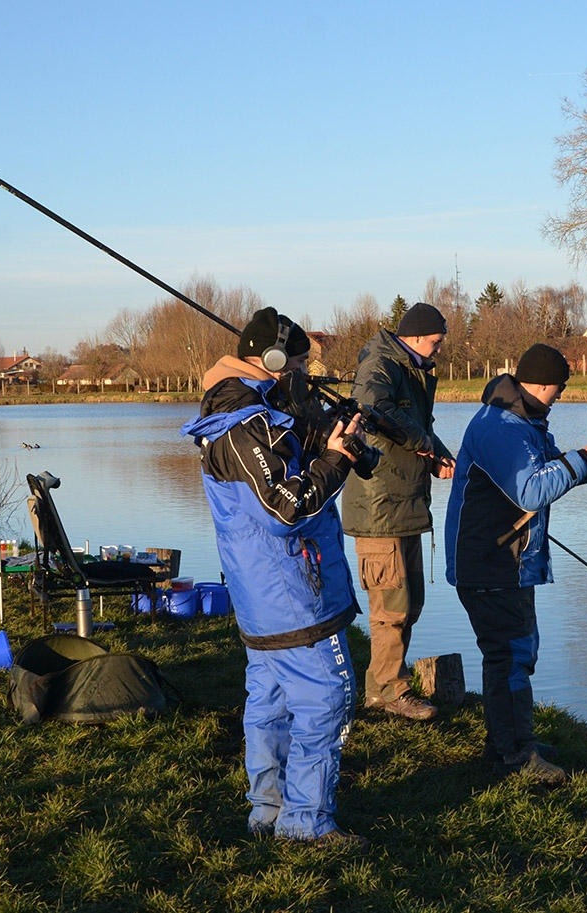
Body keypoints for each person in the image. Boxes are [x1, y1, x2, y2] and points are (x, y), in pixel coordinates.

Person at [179, 307, 367, 846]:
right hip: (289, 593)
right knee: (326, 697)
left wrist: (316, 439)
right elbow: (285, 509)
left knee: (271, 700)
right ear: (275, 361)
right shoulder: (245, 427)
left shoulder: (246, 416)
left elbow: (272, 489)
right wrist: (334, 462)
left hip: (263, 591)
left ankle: (268, 812)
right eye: (302, 363)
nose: (307, 374)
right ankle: (305, 824)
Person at [444, 343, 587, 784]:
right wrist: (583, 459)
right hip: (491, 562)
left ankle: (509, 744)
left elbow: (548, 473)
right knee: (510, 654)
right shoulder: (502, 427)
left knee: (514, 653)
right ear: (544, 383)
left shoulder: (524, 421)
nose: (561, 396)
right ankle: (515, 756)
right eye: (560, 388)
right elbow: (530, 491)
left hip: (508, 560)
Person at [342, 302, 456, 721]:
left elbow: (419, 428)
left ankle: (392, 683)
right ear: (415, 337)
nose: (439, 349)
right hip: (379, 506)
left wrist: (438, 453)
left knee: (410, 603)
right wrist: (421, 444)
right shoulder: (380, 364)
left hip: (405, 503)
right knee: (390, 608)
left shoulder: (411, 370)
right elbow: (371, 409)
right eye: (436, 341)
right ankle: (386, 691)